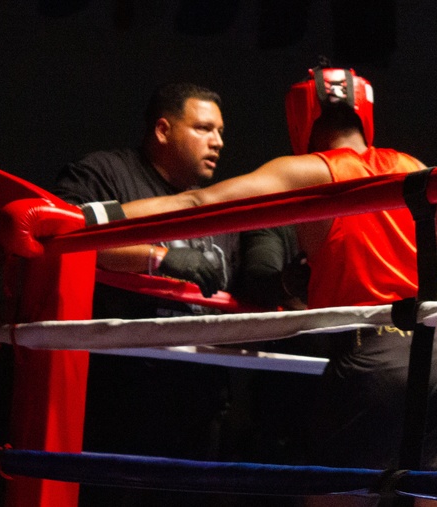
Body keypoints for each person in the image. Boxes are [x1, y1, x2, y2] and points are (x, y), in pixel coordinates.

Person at [110, 64, 437, 497]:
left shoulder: (308, 171)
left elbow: (199, 201)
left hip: (370, 356)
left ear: (302, 117)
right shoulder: (410, 166)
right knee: (435, 493)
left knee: (335, 495)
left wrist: (94, 219)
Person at [52, 82, 299, 506]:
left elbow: (251, 295)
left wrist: (292, 290)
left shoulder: (223, 207)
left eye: (220, 131)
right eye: (204, 128)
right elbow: (60, 233)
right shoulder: (107, 173)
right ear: (163, 130)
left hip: (199, 405)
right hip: (119, 399)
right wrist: (157, 258)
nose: (218, 142)